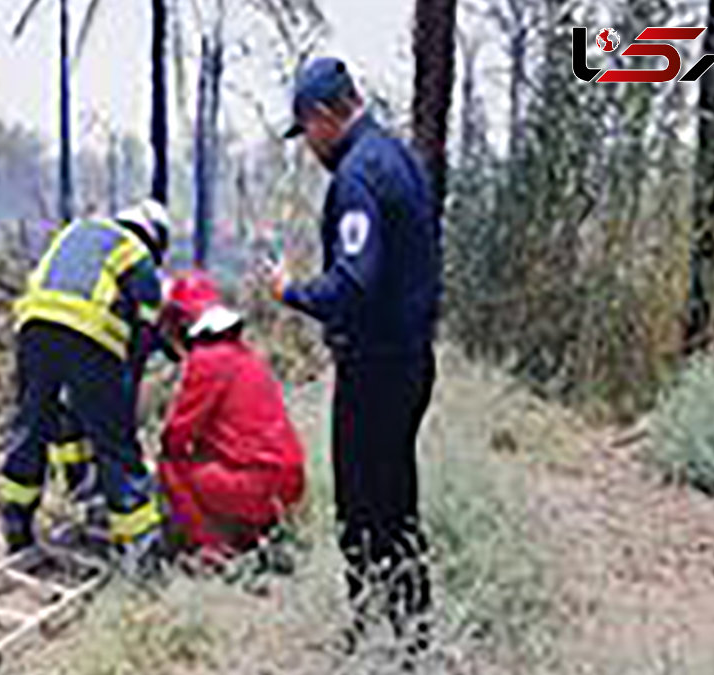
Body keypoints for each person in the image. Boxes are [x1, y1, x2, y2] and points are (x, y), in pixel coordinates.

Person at [266, 57, 442, 655]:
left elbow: (353, 284)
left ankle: (376, 636)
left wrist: (292, 291)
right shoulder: (398, 159)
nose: (308, 146)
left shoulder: (358, 176)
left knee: (363, 511)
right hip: (410, 360)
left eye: (306, 132)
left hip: (375, 369)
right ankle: (412, 638)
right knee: (396, 505)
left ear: (321, 116)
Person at [0, 199, 172, 568]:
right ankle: (140, 546)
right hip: (88, 336)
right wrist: (124, 399)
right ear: (155, 240)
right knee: (115, 440)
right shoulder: (136, 253)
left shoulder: (78, 231)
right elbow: (141, 341)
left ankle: (17, 521)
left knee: (34, 423)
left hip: (32, 327)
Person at [158, 274, 305, 560]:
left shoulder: (206, 361)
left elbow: (177, 437)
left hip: (257, 483)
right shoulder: (244, 356)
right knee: (209, 457)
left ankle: (212, 553)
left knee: (171, 464)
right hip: (286, 481)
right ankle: (250, 541)